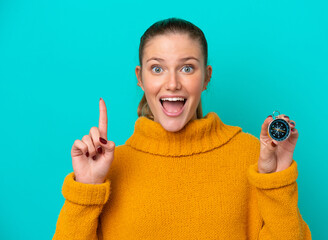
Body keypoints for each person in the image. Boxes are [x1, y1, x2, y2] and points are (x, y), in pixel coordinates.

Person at [53, 17, 312, 239]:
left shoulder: (252, 157)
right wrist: (86, 191)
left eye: (187, 68)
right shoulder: (109, 170)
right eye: (157, 68)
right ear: (140, 78)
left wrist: (275, 182)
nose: (173, 83)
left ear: (206, 77)